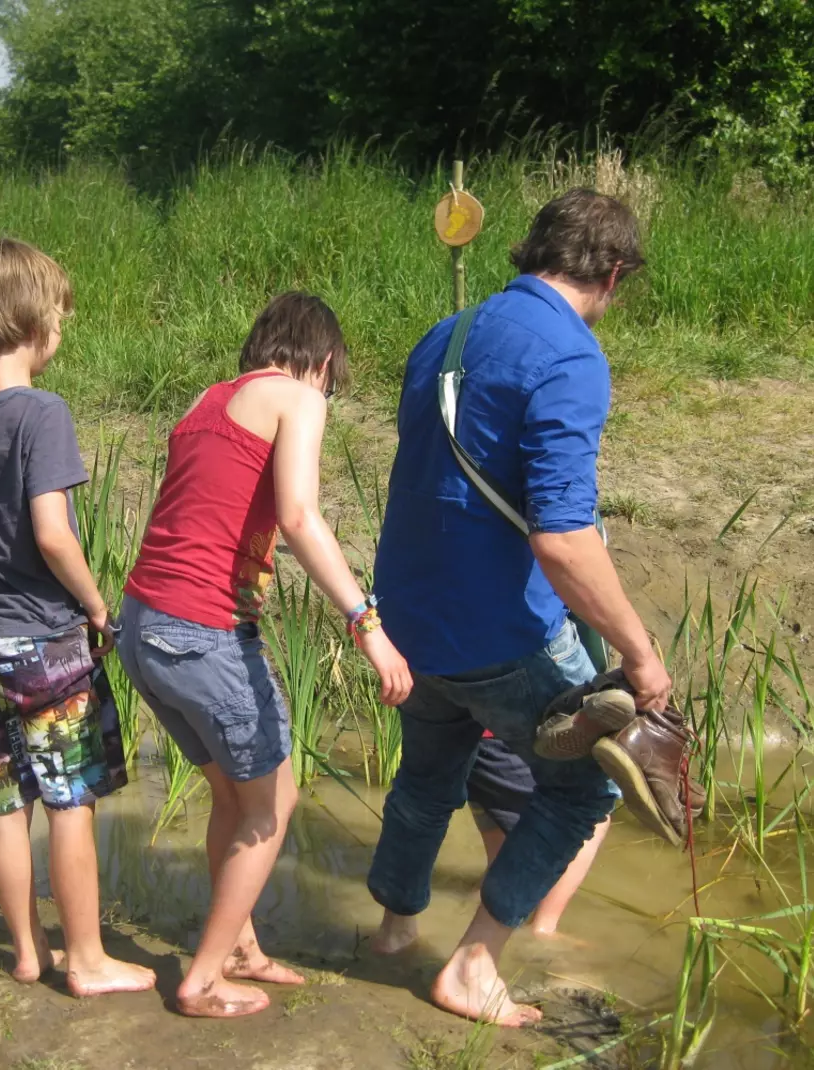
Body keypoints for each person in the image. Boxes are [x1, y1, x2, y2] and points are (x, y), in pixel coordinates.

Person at [366, 189, 672, 1027]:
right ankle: (472, 965)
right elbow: (564, 540)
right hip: (499, 631)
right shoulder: (570, 357)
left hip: (409, 615)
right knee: (583, 794)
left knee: (428, 779)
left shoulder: (445, 334)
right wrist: (640, 655)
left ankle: (394, 929)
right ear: (613, 275)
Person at [116, 292, 413, 1019]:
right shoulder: (297, 397)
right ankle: (203, 978)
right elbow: (300, 517)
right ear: (322, 362)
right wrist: (367, 623)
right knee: (271, 804)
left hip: (143, 623)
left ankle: (240, 944)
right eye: (334, 383)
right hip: (201, 629)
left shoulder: (206, 400)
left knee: (235, 796)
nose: (330, 395)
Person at [0, 238, 156, 999]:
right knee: (70, 801)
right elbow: (54, 533)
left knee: (3, 800)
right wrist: (97, 606)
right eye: (58, 315)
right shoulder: (42, 413)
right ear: (34, 324)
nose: (62, 329)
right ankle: (87, 960)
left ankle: (27, 951)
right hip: (43, 636)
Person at [371, 731, 611, 953]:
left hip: (454, 717)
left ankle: (397, 930)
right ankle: (542, 929)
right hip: (507, 729)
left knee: (439, 800)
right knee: (590, 811)